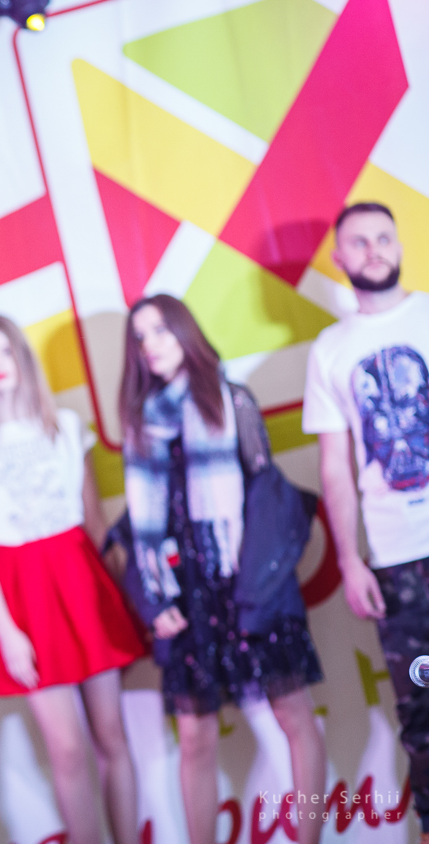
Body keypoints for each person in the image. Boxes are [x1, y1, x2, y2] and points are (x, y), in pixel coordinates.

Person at [118, 294, 326, 844]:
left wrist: (258, 584)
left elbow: (266, 494)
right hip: (186, 594)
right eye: (140, 337)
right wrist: (156, 598)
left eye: (161, 330)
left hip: (247, 579)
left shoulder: (232, 400)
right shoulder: (141, 427)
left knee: (293, 715)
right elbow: (143, 526)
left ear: (185, 331)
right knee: (194, 738)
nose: (151, 345)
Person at [0, 315, 143, 844]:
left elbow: (95, 522)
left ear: (22, 357)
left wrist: (126, 600)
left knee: (112, 737)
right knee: (67, 750)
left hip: (81, 579)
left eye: (5, 352)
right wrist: (7, 632)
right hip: (23, 593)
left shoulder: (66, 425)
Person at [304, 202, 429, 843]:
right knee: (423, 710)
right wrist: (350, 560)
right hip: (397, 563)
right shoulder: (330, 350)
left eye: (384, 237)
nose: (374, 249)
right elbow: (335, 467)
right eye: (359, 241)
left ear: (400, 246)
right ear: (339, 258)